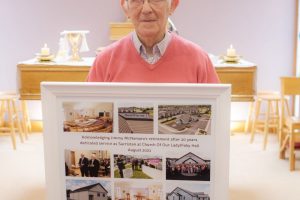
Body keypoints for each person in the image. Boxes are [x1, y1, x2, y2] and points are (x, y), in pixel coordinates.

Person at [87, 0, 219, 83]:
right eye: (136, 0)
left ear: (173, 5)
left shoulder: (198, 60)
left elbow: (216, 119)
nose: (146, 9)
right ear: (125, 7)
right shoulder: (104, 61)